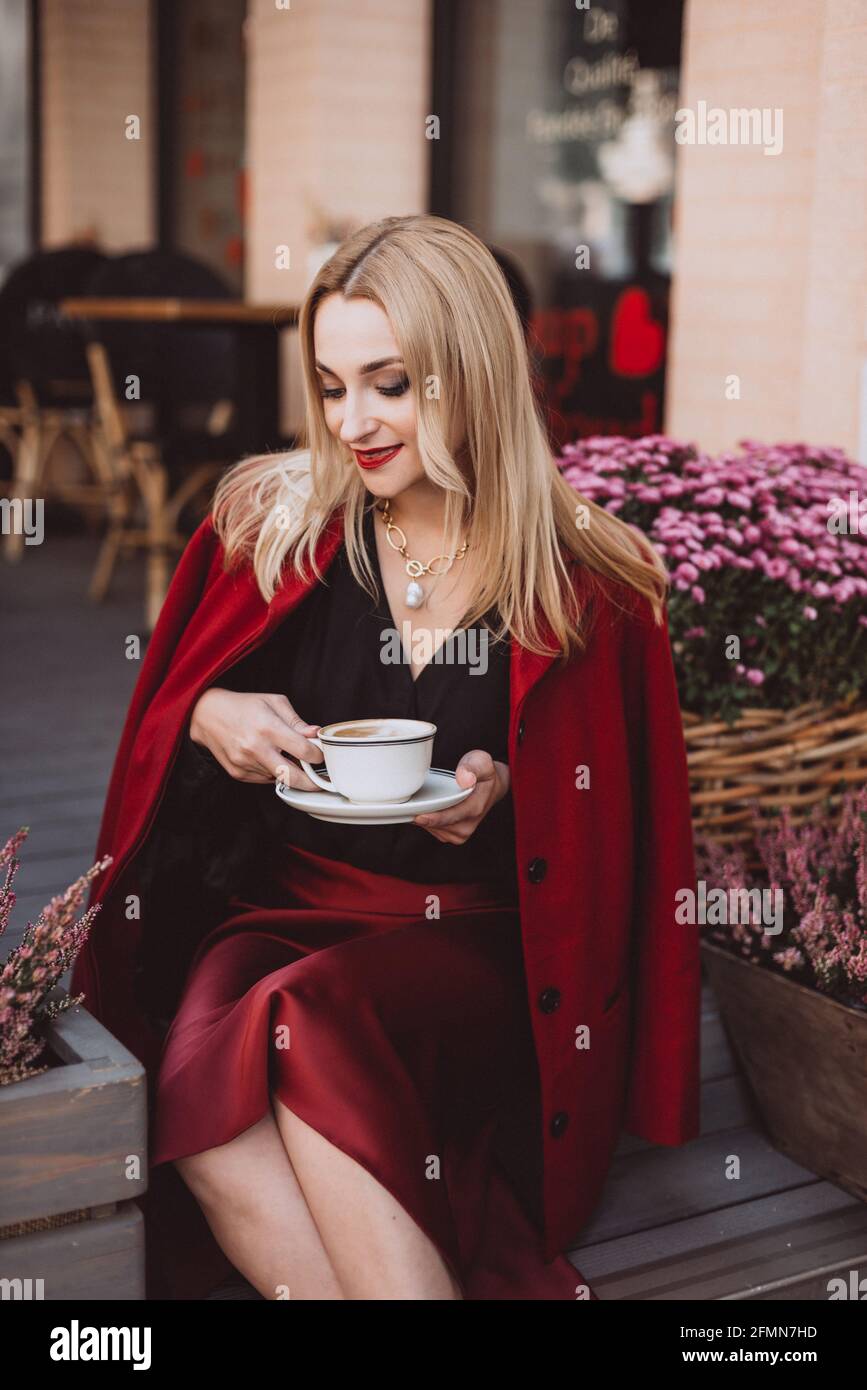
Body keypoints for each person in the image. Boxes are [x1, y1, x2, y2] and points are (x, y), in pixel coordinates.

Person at [71, 213, 701, 1301]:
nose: (352, 421)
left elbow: (631, 850)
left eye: (391, 384)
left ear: (471, 375)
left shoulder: (594, 579)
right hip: (278, 915)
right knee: (205, 1072)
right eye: (329, 385)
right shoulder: (266, 528)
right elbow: (157, 736)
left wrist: (505, 795)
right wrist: (209, 715)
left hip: (473, 949)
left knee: (297, 1021)